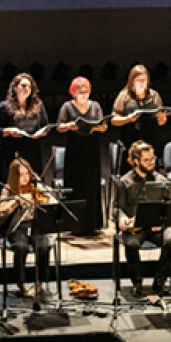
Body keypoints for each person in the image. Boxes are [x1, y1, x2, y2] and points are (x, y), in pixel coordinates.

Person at [114, 141, 171, 297]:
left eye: (152, 159)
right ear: (136, 161)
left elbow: (167, 207)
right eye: (146, 160)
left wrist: (162, 223)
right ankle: (137, 282)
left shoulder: (161, 180)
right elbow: (117, 207)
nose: (151, 163)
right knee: (131, 244)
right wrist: (122, 220)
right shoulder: (125, 181)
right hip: (135, 227)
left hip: (156, 226)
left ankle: (159, 281)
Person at [56, 76, 107, 236]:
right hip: (75, 149)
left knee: (91, 184)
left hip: (91, 148)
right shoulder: (67, 106)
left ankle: (92, 223)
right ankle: (74, 224)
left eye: (86, 91)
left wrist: (98, 128)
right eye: (80, 91)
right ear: (73, 93)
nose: (84, 94)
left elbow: (104, 126)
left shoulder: (96, 106)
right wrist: (69, 126)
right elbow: (59, 127)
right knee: (76, 184)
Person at [0, 159, 53, 300]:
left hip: (36, 225)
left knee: (44, 246)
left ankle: (39, 282)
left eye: (27, 174)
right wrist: (17, 199)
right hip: (17, 226)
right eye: (21, 174)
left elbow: (52, 201)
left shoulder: (35, 187)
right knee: (20, 247)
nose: (25, 178)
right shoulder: (8, 189)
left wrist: (43, 195)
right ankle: (21, 284)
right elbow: (1, 209)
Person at [0, 73, 50, 189]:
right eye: (23, 86)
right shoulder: (4, 106)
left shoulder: (38, 105)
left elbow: (46, 127)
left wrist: (41, 133)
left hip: (32, 149)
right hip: (11, 149)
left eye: (29, 87)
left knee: (33, 183)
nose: (27, 89)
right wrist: (8, 130)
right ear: (15, 87)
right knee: (10, 183)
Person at [111, 65, 169, 173]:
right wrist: (127, 119)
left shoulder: (154, 95)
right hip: (130, 140)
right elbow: (114, 120)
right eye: (139, 80)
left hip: (150, 140)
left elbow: (161, 122)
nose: (142, 83)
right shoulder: (124, 96)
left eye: (145, 80)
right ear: (132, 81)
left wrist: (162, 118)